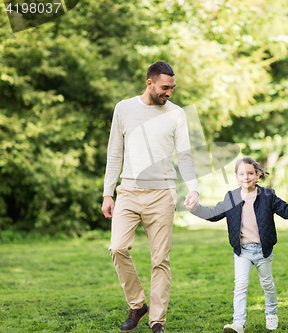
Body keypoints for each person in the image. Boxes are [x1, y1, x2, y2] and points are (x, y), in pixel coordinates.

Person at [101, 61, 199, 333]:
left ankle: (157, 321)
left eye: (172, 88)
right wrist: (108, 193)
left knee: (160, 259)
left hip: (162, 193)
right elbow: (114, 153)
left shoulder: (177, 114)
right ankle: (137, 304)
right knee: (117, 248)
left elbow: (185, 155)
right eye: (165, 87)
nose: (169, 92)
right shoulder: (124, 108)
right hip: (129, 192)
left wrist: (193, 188)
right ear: (149, 83)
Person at [185, 157, 288, 333]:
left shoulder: (267, 196)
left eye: (250, 173)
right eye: (242, 174)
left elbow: (287, 211)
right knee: (240, 286)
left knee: (267, 284)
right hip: (242, 251)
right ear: (236, 177)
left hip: (262, 251)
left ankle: (271, 314)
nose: (246, 177)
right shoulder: (231, 197)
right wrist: (195, 209)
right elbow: (213, 214)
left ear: (257, 175)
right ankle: (238, 323)